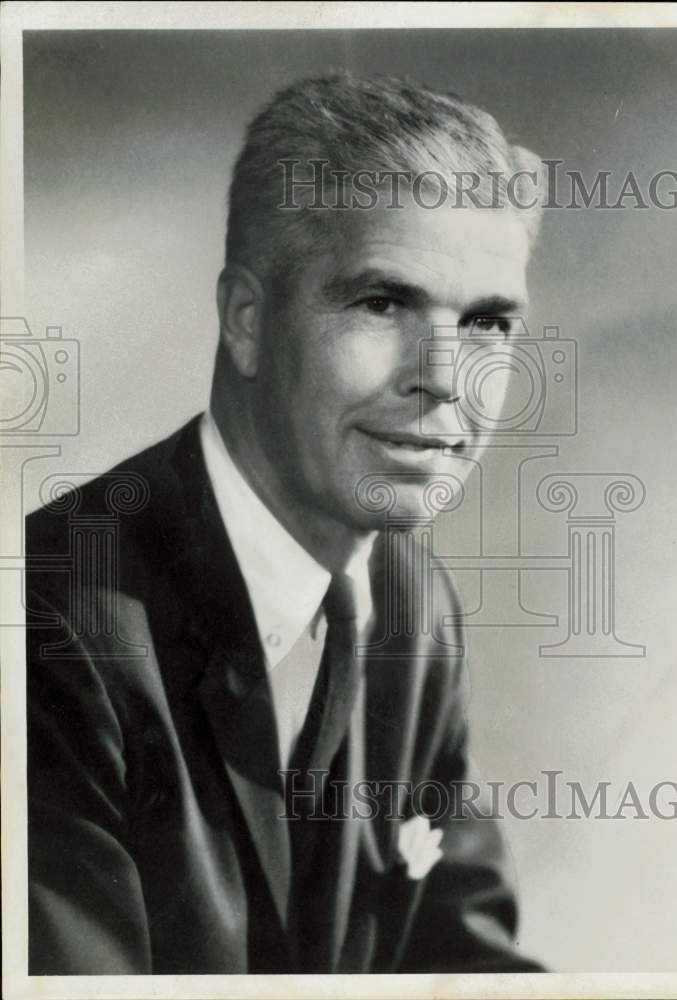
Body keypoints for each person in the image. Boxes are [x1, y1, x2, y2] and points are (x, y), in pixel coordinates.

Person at [26, 73, 546, 974]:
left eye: (488, 323)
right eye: (382, 303)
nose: (446, 377)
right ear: (246, 319)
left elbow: (461, 958)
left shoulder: (411, 604)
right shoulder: (47, 622)